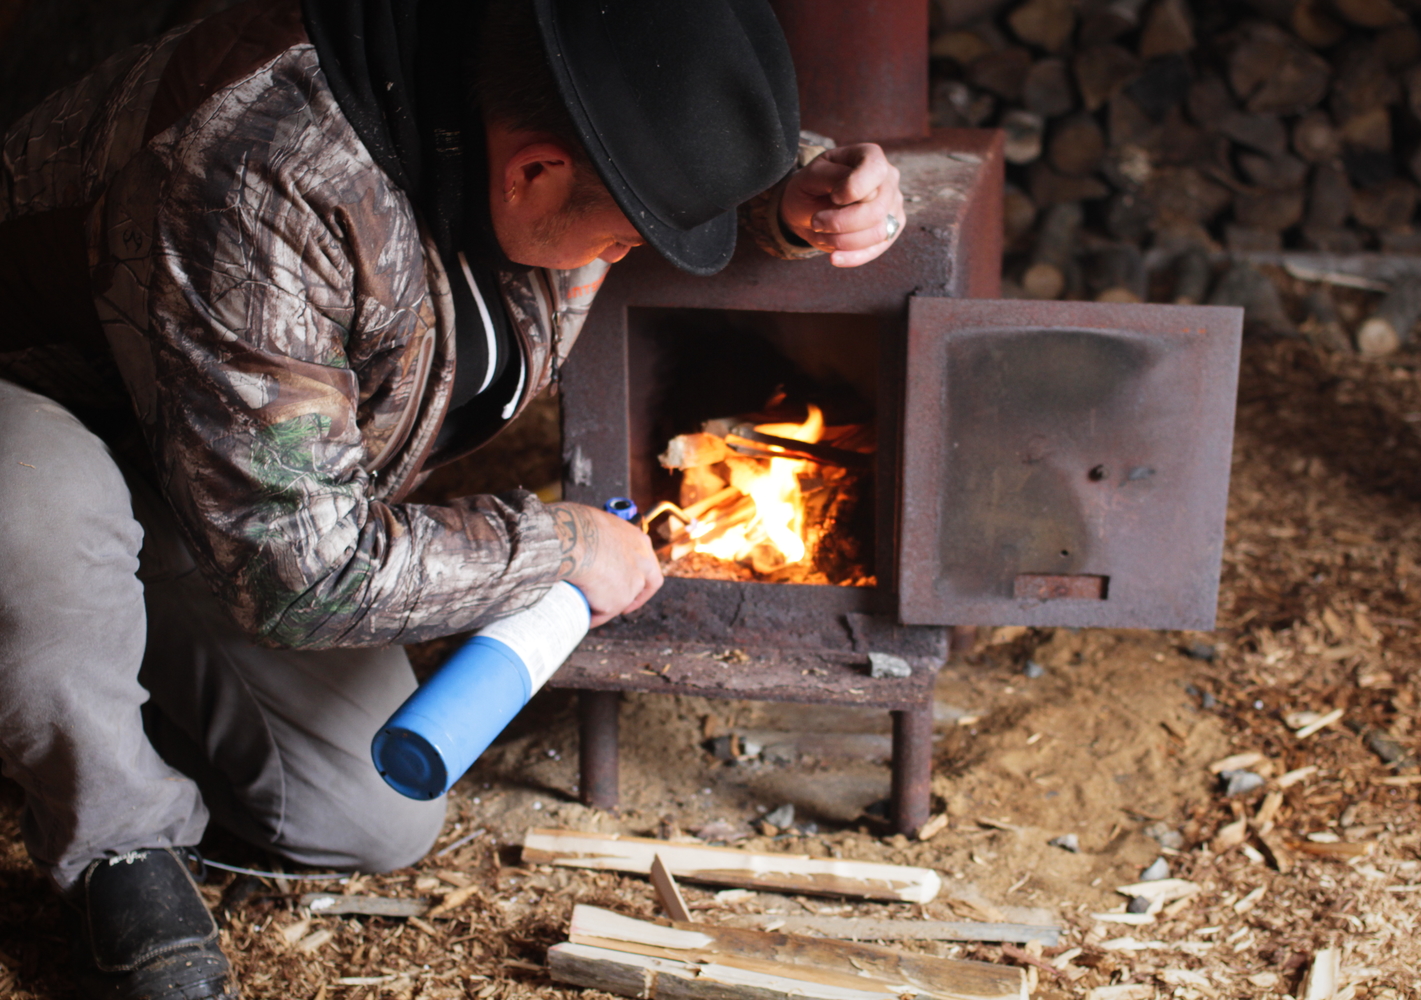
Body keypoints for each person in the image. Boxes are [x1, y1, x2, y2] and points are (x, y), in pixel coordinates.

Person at [0, 0, 905, 996]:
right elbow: (306, 572)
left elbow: (631, 107)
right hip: (50, 403)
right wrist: (559, 545)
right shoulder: (266, 175)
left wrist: (789, 191)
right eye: (623, 236)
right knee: (36, 509)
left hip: (224, 470)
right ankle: (120, 844)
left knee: (370, 813)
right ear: (535, 171)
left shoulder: (521, 85)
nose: (627, 253)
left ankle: (133, 667)